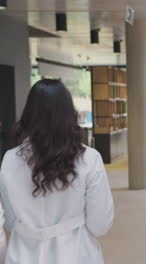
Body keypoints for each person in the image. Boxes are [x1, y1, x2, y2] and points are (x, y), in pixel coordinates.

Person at [0, 79, 114, 264]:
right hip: (77, 253)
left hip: (23, 254)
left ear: (29, 113)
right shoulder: (89, 158)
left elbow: (10, 221)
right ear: (69, 114)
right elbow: (100, 224)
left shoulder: (10, 159)